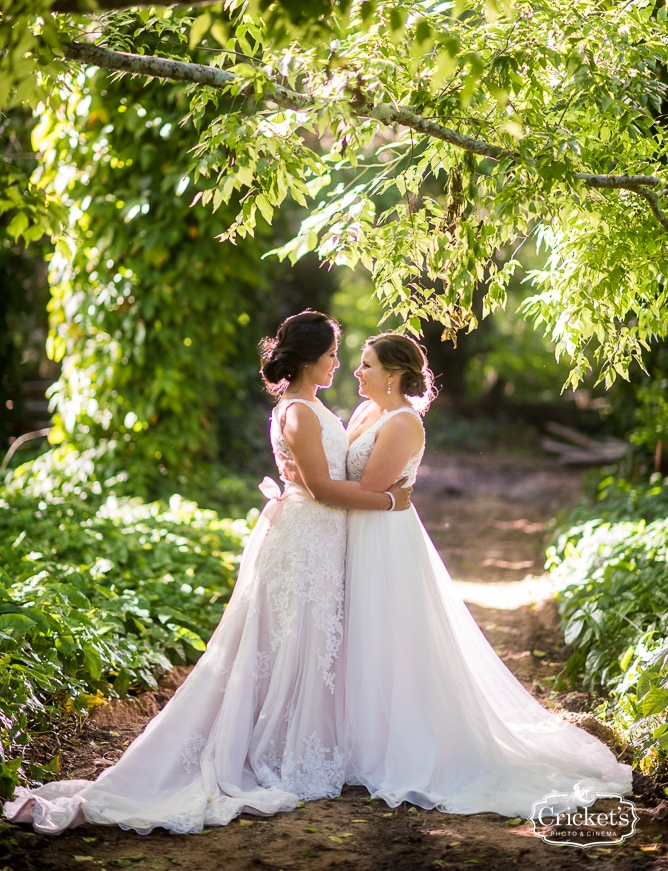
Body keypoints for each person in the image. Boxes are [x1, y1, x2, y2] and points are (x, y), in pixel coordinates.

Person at [3, 310, 410, 835]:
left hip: (321, 538)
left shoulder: (312, 406)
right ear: (310, 358)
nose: (339, 363)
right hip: (306, 539)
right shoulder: (299, 413)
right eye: (333, 354)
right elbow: (323, 489)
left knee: (309, 643)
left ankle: (305, 742)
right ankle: (275, 750)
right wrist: (388, 501)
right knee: (288, 640)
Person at [341, 332, 632, 816]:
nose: (357, 372)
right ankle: (354, 734)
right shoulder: (364, 413)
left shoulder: (404, 422)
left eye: (366, 364)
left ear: (392, 374)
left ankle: (398, 742)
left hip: (383, 538)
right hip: (356, 531)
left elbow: (366, 487)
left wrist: (313, 486)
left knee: (390, 636)